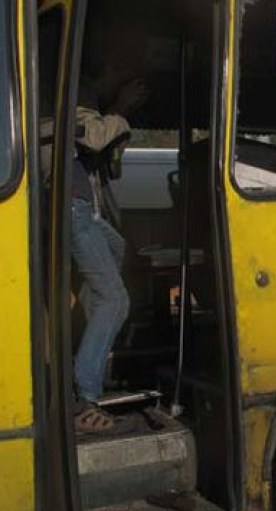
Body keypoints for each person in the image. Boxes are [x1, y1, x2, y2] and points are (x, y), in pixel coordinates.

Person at [71, 70, 148, 432]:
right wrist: (121, 110)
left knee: (117, 251)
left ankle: (94, 347)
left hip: (83, 210)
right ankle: (83, 397)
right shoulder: (65, 109)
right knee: (116, 300)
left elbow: (107, 164)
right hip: (72, 210)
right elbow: (98, 136)